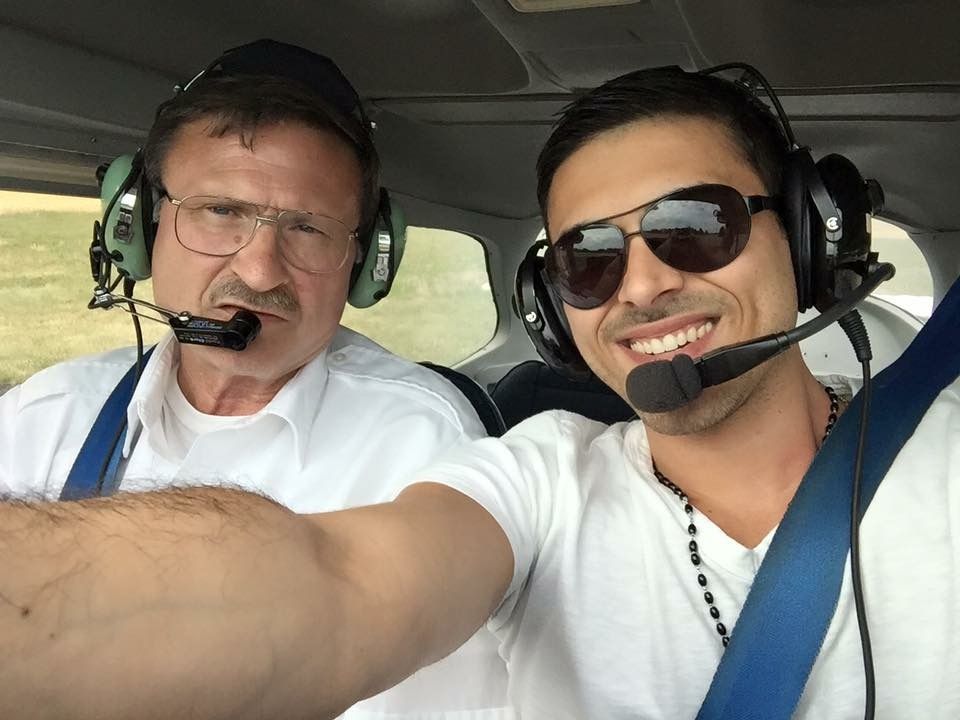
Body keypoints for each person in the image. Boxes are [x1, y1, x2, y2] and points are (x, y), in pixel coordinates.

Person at [2, 65, 958, 719]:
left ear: (809, 235)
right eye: (587, 259)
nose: (642, 285)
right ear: (553, 308)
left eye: (695, 226)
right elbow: (339, 586)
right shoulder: (541, 479)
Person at [0, 40, 512, 719]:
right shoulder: (41, 417)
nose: (261, 270)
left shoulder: (422, 442)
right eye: (221, 212)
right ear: (139, 223)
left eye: (309, 228)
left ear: (364, 263)